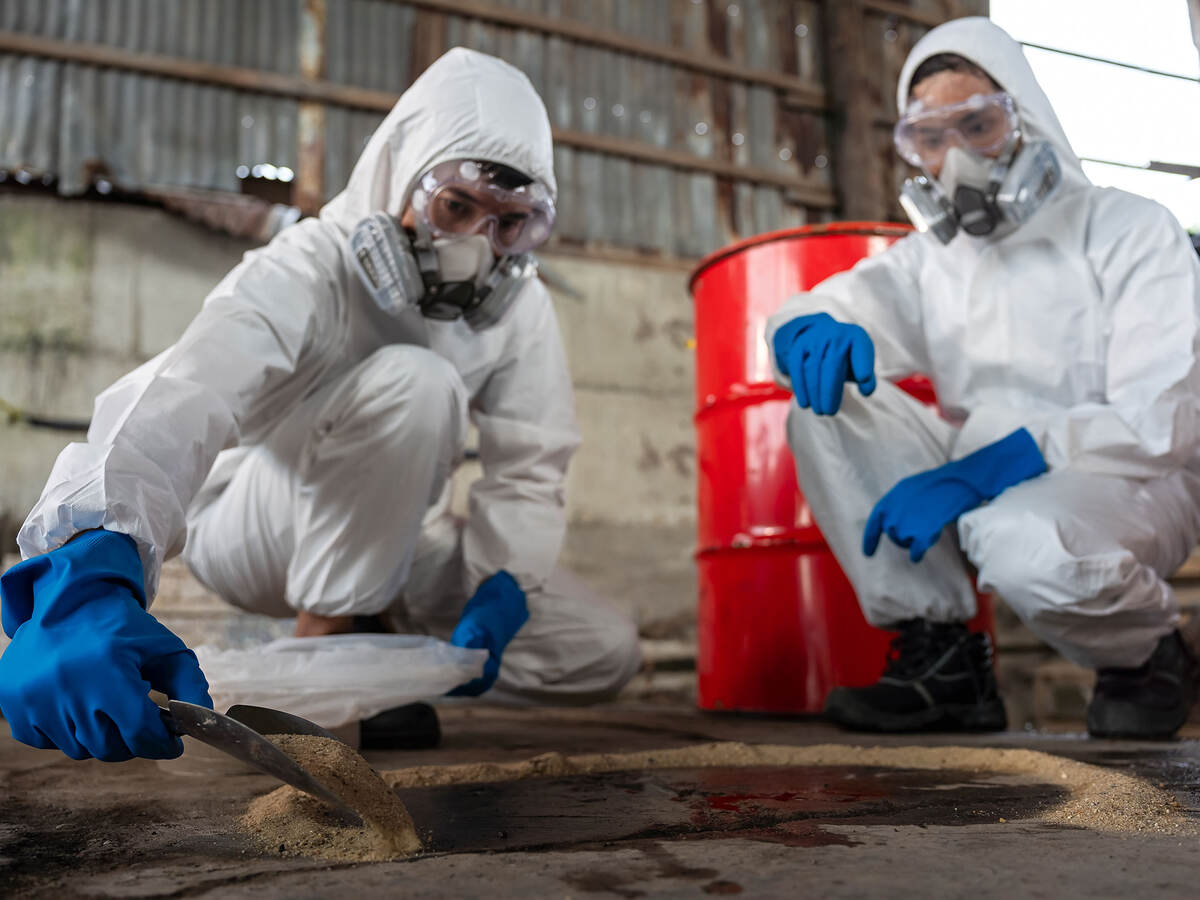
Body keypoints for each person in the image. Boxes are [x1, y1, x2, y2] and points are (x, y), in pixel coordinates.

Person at [0, 48, 641, 763]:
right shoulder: (310, 264)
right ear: (400, 177)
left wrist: (504, 584)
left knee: (598, 649)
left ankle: (376, 655)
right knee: (419, 382)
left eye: (508, 223)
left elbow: (531, 462)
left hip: (394, 533)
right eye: (455, 208)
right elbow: (189, 389)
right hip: (251, 524)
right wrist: (92, 559)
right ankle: (322, 655)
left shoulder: (521, 309)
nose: (476, 248)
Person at [766, 18, 1200, 739]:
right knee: (823, 408)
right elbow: (837, 304)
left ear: (1023, 117)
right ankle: (944, 664)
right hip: (978, 470)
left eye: (977, 125)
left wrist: (999, 465)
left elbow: (1162, 418)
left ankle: (1146, 656)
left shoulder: (1129, 229)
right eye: (930, 140)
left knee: (1020, 541)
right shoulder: (934, 261)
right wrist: (801, 327)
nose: (954, 158)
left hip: (1127, 478)